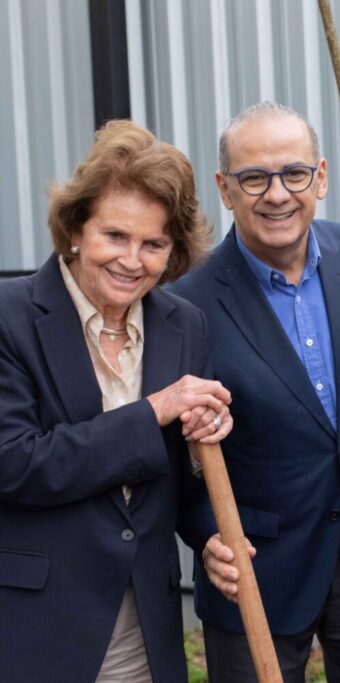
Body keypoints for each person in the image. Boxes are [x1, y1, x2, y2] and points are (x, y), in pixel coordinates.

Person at [172, 102, 340, 683]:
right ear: (225, 189)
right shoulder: (187, 306)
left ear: (320, 177)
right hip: (255, 569)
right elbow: (174, 458)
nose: (277, 194)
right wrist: (206, 537)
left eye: (294, 173)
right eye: (254, 178)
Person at [0, 120, 232, 682]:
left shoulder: (185, 326)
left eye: (153, 244)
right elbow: (15, 463)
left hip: (143, 630)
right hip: (37, 627)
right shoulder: (10, 318)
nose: (133, 260)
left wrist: (208, 537)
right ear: (76, 228)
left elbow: (175, 479)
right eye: (115, 236)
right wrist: (154, 410)